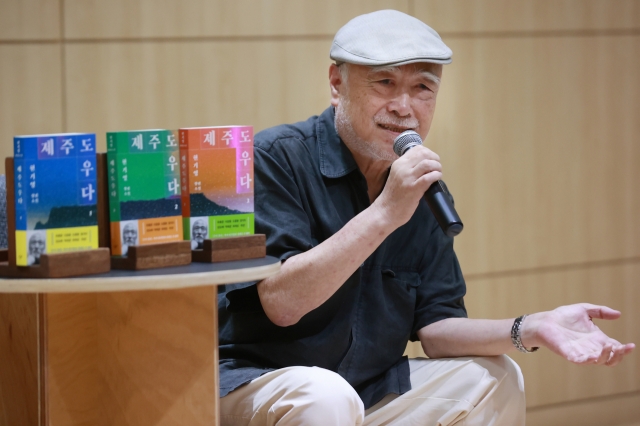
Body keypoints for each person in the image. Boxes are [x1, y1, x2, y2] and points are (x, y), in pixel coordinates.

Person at [218, 10, 635, 426]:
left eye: (422, 88)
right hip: (258, 384)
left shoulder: (419, 190)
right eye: (384, 83)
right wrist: (384, 213)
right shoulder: (271, 158)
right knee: (326, 397)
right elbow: (282, 304)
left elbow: (437, 328)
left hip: (367, 389)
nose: (403, 107)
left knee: (493, 376)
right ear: (336, 83)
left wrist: (531, 327)